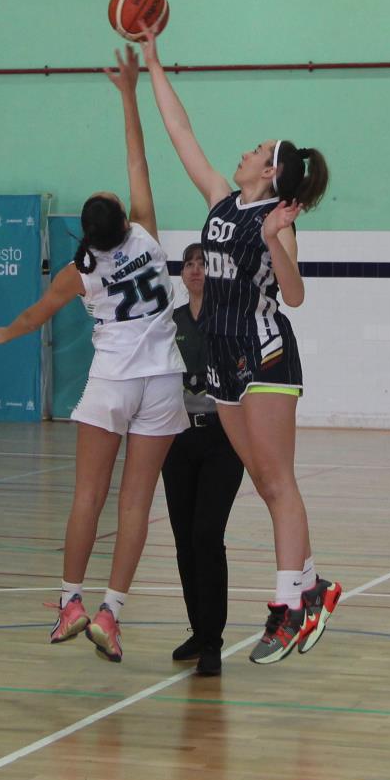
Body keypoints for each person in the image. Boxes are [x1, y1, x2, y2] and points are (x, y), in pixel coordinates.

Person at [0, 45, 187, 663]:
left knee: (87, 499)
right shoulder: (148, 233)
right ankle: (110, 614)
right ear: (122, 217)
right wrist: (128, 94)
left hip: (111, 383)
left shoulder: (78, 273)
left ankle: (70, 600)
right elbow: (139, 156)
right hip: (163, 382)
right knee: (136, 504)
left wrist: (4, 336)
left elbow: (33, 316)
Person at [141, 26, 342, 664]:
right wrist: (151, 58)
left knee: (278, 481)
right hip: (224, 360)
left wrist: (282, 237)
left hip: (268, 353)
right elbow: (179, 131)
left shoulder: (274, 219)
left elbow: (295, 295)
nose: (244, 151)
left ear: (271, 169)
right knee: (262, 477)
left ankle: (288, 608)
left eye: (256, 149)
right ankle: (312, 588)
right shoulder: (221, 201)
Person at [162, 243, 245, 677]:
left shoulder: (229, 322)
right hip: (176, 441)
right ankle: (198, 629)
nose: (195, 270)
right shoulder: (169, 323)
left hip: (222, 441)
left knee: (207, 535)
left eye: (202, 264)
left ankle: (213, 640)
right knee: (183, 539)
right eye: (189, 264)